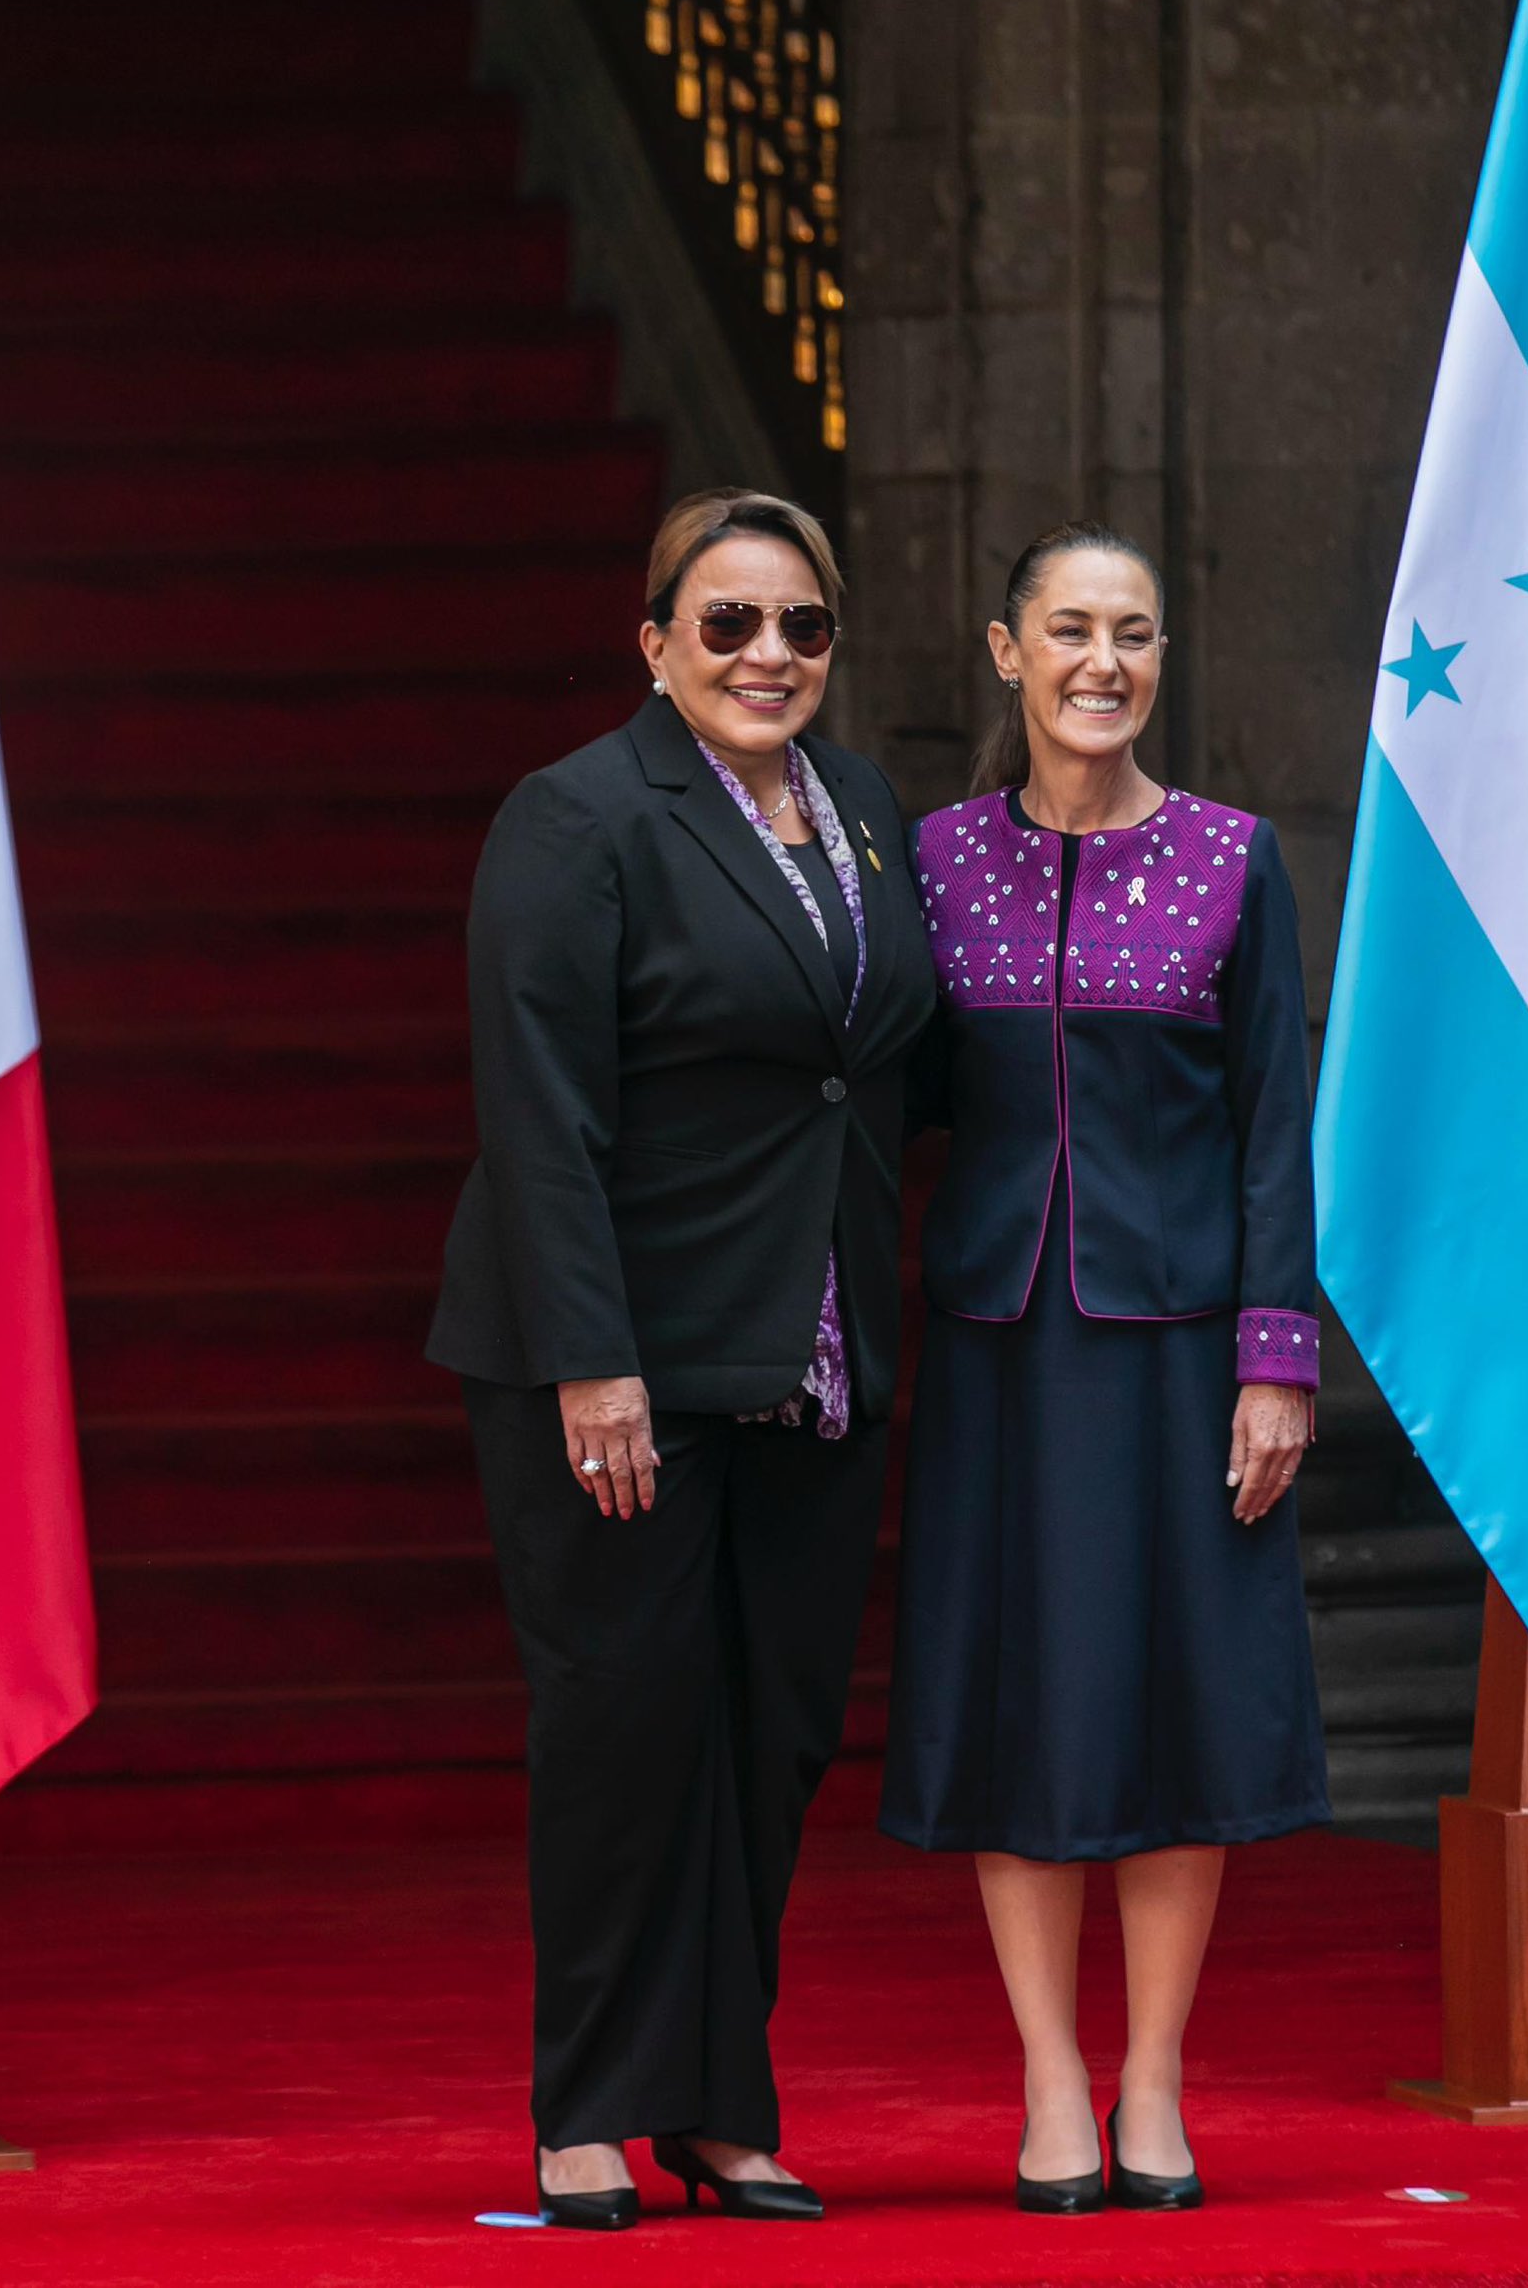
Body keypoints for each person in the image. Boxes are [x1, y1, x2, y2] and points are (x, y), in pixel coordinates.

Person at [428, 488, 941, 2230]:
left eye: (800, 623)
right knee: (625, 1730)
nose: (770, 654)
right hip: (622, 1358)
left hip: (814, 1351)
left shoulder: (863, 808)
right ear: (656, 640)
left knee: (771, 1733)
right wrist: (593, 1358)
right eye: (728, 623)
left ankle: (722, 2101)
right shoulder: (576, 817)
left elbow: (869, 1072)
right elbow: (539, 1112)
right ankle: (589, 2103)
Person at [883, 521, 1332, 2214]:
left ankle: (1152, 2077)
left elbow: (1278, 1124)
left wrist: (1275, 1359)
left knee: (1179, 1701)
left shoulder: (1232, 857)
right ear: (1007, 653)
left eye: (1133, 633)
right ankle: (1049, 2080)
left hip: (1183, 1357)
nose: (1103, 662)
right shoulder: (928, 861)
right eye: (1068, 629)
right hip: (998, 1350)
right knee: (1023, 1705)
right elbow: (879, 1091)